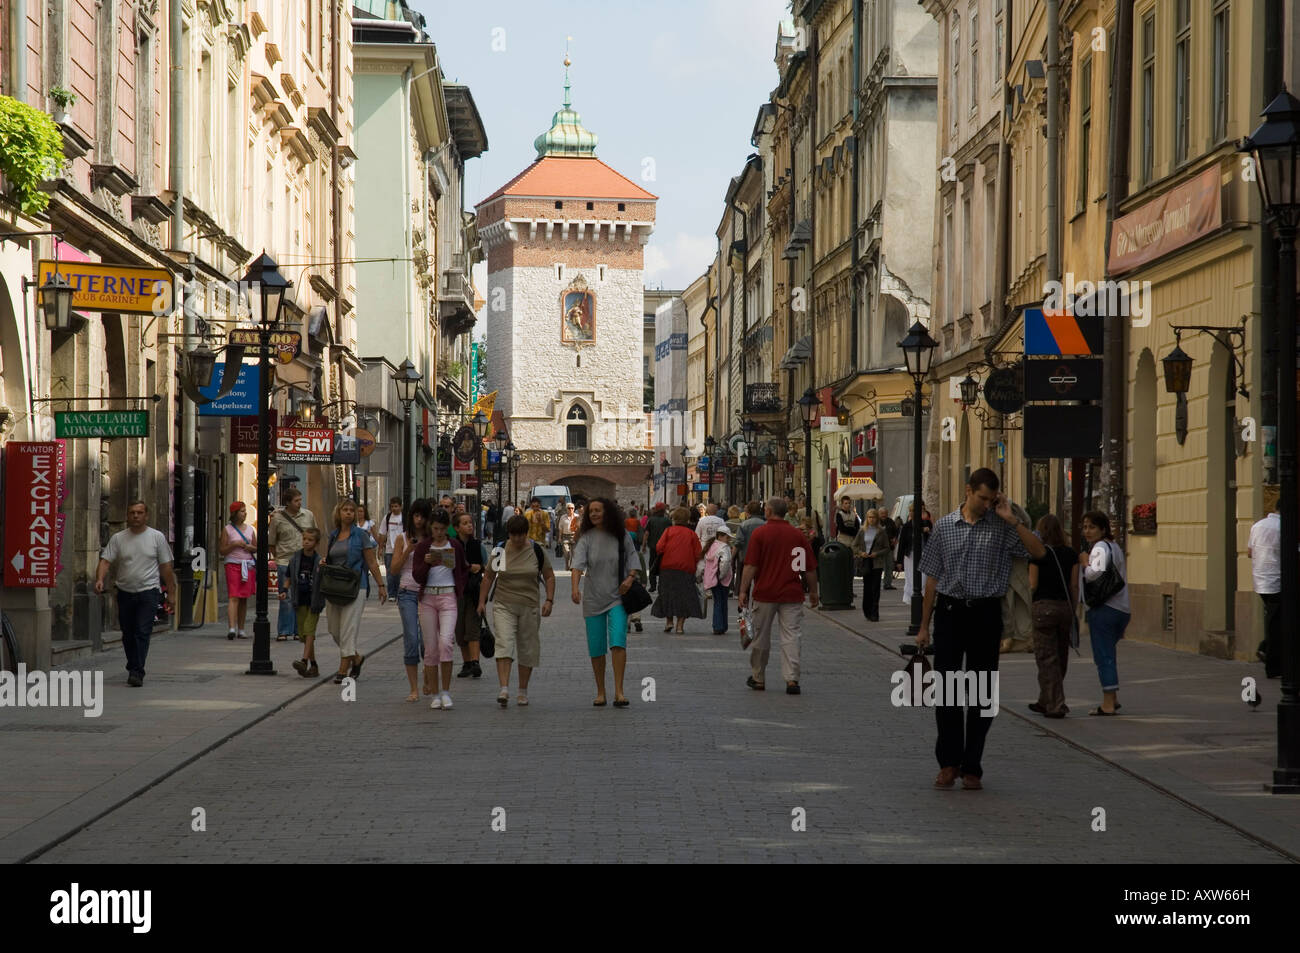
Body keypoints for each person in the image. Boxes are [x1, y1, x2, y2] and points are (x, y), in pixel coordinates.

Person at [916, 468, 1046, 790]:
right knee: (947, 691)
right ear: (968, 491)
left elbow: (1039, 552)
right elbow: (931, 579)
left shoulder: (1002, 527)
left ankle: (972, 766)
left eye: (992, 499)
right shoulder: (944, 527)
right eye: (982, 498)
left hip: (986, 615)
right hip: (949, 612)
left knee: (981, 692)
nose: (986, 504)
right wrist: (923, 627)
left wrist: (1011, 518)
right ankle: (948, 763)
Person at [737, 497, 819, 695]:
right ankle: (792, 679)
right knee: (791, 636)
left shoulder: (760, 534)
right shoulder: (797, 535)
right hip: (792, 592)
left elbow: (751, 565)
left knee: (760, 636)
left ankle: (758, 677)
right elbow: (809, 568)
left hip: (765, 592)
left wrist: (742, 590)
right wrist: (814, 592)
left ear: (769, 512)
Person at [94, 501, 178, 687]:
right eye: (132, 512)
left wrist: (171, 594)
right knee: (128, 634)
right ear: (127, 515)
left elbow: (166, 568)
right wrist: (100, 579)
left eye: (139, 513)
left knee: (142, 631)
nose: (135, 516)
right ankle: (134, 663)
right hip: (125, 592)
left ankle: (136, 671)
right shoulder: (119, 538)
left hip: (148, 592)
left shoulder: (156, 537)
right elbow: (106, 560)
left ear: (146, 515)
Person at [571, 498, 641, 707]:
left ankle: (619, 692)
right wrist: (575, 588)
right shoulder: (586, 538)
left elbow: (633, 559)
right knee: (597, 647)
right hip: (593, 598)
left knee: (618, 642)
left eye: (597, 510)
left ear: (607, 512)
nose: (593, 514)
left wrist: (629, 579)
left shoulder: (622, 535)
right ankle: (600, 691)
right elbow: (577, 566)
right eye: (591, 511)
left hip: (617, 597)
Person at [480, 514, 556, 707]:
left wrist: (549, 600)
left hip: (529, 605)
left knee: (527, 648)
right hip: (504, 603)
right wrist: (482, 602)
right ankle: (504, 689)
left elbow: (548, 576)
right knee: (504, 643)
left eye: (520, 535)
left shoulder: (536, 550)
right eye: (513, 535)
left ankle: (522, 691)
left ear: (526, 534)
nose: (517, 540)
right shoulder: (501, 549)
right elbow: (489, 576)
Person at [323, 499, 387, 685]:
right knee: (334, 630)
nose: (349, 513)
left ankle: (343, 669)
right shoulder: (334, 535)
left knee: (348, 630)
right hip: (335, 588)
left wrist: (381, 586)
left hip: (355, 587)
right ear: (339, 513)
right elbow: (330, 558)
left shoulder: (361, 535)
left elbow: (372, 562)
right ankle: (356, 658)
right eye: (346, 510)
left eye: (352, 510)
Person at [413, 507, 468, 710]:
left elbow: (463, 569)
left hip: (447, 596)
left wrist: (458, 581)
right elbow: (417, 576)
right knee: (431, 647)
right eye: (435, 528)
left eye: (442, 529)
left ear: (447, 529)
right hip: (427, 597)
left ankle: (445, 691)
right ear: (431, 527)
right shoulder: (423, 547)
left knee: (446, 642)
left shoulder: (454, 545)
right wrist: (427, 563)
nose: (438, 532)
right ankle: (435, 694)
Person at [1078, 510, 1130, 717]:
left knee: (1104, 655)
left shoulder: (1100, 547)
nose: (1087, 531)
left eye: (1092, 527)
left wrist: (1084, 561)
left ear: (1102, 529)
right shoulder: (1114, 547)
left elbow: (1093, 573)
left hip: (1105, 609)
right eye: (1085, 527)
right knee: (1108, 653)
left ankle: (1108, 702)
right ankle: (1113, 698)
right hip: (1121, 608)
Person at [1026, 514, 1078, 718]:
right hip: (1064, 607)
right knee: (1060, 654)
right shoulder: (1071, 554)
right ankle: (1044, 700)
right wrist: (1073, 608)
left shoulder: (1038, 555)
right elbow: (1074, 585)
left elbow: (1033, 585)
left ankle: (1056, 704)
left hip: (1043, 608)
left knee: (1046, 658)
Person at [390, 499, 431, 701]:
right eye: (416, 515)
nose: (419, 520)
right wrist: (409, 550)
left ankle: (427, 676)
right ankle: (413, 688)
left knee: (426, 641)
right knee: (412, 639)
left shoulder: (433, 539)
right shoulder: (402, 539)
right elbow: (394, 569)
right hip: (406, 592)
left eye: (422, 516)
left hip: (427, 592)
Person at [267, 487, 318, 642]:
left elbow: (315, 534)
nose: (299, 503)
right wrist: (278, 558)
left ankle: (298, 630)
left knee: (301, 596)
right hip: (284, 561)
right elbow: (272, 542)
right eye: (296, 501)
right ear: (287, 503)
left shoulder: (308, 515)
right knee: (286, 597)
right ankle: (284, 630)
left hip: (304, 562)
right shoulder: (277, 519)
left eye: (300, 500)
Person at [652, 506, 705, 633]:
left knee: (667, 594)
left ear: (674, 518)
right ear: (687, 519)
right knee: (684, 596)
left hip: (668, 567)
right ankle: (680, 626)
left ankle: (669, 622)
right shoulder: (691, 534)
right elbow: (698, 553)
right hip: (686, 568)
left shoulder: (669, 531)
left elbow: (659, 547)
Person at [280, 527, 324, 679]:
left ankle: (304, 661)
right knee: (304, 636)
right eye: (304, 539)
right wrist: (284, 590)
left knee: (308, 630)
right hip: (299, 600)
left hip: (314, 602)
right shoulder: (295, 559)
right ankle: (314, 665)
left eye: (310, 540)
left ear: (316, 543)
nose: (306, 542)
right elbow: (289, 577)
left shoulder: (319, 561)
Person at [1248, 496, 1282, 679]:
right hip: (1278, 581)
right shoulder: (1282, 527)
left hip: (1260, 581)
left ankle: (1267, 651)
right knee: (1277, 624)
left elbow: (1249, 553)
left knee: (1274, 620)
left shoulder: (1257, 525)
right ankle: (1272, 662)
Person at [454, 512, 487, 679]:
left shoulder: (477, 545)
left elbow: (485, 567)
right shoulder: (452, 545)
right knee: (460, 630)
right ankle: (466, 663)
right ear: (457, 527)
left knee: (473, 628)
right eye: (465, 523)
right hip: (457, 592)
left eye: (470, 523)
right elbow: (449, 566)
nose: (469, 525)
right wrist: (468, 567)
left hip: (474, 591)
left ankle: (475, 663)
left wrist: (479, 568)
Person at [219, 501, 256, 640]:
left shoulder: (250, 529)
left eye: (245, 511)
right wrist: (234, 544)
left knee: (244, 598)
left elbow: (256, 547)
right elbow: (222, 550)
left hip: (247, 565)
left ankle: (241, 629)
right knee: (233, 596)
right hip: (232, 564)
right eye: (242, 511)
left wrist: (249, 547)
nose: (245, 513)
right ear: (235, 513)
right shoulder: (227, 529)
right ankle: (232, 628)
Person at [853, 509, 891, 622]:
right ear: (866, 518)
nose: (871, 519)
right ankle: (867, 610)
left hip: (877, 563)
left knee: (876, 589)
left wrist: (877, 554)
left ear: (877, 518)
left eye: (873, 517)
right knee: (867, 588)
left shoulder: (881, 531)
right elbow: (854, 545)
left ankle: (875, 613)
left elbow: (887, 548)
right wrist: (861, 553)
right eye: (869, 517)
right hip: (866, 562)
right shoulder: (862, 531)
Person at [896, 503, 932, 606]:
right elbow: (902, 544)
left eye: (915, 511)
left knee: (923, 579)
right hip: (910, 556)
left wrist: (924, 530)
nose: (912, 513)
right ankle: (913, 600)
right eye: (911, 511)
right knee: (911, 578)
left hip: (924, 554)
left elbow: (930, 537)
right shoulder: (906, 526)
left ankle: (922, 597)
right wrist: (899, 561)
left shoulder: (926, 523)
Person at [703, 526, 735, 635]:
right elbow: (725, 562)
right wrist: (722, 575)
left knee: (717, 601)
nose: (729, 540)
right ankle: (721, 626)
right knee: (722, 602)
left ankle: (718, 625)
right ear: (721, 536)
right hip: (721, 578)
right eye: (727, 537)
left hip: (712, 578)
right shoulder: (724, 547)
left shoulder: (711, 546)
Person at [733, 501, 766, 596]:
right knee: (759, 580)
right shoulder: (764, 524)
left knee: (745, 580)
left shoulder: (744, 525)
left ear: (748, 512)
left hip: (746, 557)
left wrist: (732, 556)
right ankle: (756, 601)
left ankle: (744, 604)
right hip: (761, 558)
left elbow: (738, 542)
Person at [376, 497, 404, 598]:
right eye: (392, 506)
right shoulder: (387, 518)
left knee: (400, 573)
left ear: (401, 506)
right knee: (390, 573)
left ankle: (399, 592)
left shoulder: (404, 518)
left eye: (396, 506)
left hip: (402, 550)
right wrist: (380, 548)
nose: (394, 508)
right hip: (389, 550)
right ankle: (392, 593)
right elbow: (382, 534)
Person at [623, 506, 645, 633]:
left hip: (624, 580)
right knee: (635, 599)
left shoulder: (620, 552)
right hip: (635, 580)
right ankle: (636, 619)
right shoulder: (638, 554)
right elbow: (641, 568)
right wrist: (644, 581)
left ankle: (627, 624)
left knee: (626, 601)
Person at [644, 502, 672, 592]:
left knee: (652, 566)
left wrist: (644, 545)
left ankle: (653, 586)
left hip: (653, 547)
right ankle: (661, 586)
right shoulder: (667, 521)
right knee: (663, 567)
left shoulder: (651, 520)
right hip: (664, 548)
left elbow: (646, 533)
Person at [879, 508, 899, 589]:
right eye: (882, 513)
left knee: (889, 566)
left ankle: (888, 583)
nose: (884, 515)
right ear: (879, 514)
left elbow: (896, 532)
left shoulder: (890, 521)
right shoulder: (876, 522)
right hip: (879, 548)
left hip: (889, 547)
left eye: (885, 513)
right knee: (879, 566)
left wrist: (895, 539)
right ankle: (877, 583)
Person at [559, 502, 578, 570]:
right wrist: (559, 538)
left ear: (574, 509)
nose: (570, 509)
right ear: (566, 509)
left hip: (574, 536)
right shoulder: (563, 517)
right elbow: (560, 528)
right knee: (566, 552)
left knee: (574, 553)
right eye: (569, 508)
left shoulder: (577, 517)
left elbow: (579, 528)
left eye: (572, 508)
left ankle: (572, 566)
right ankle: (567, 564)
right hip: (565, 536)